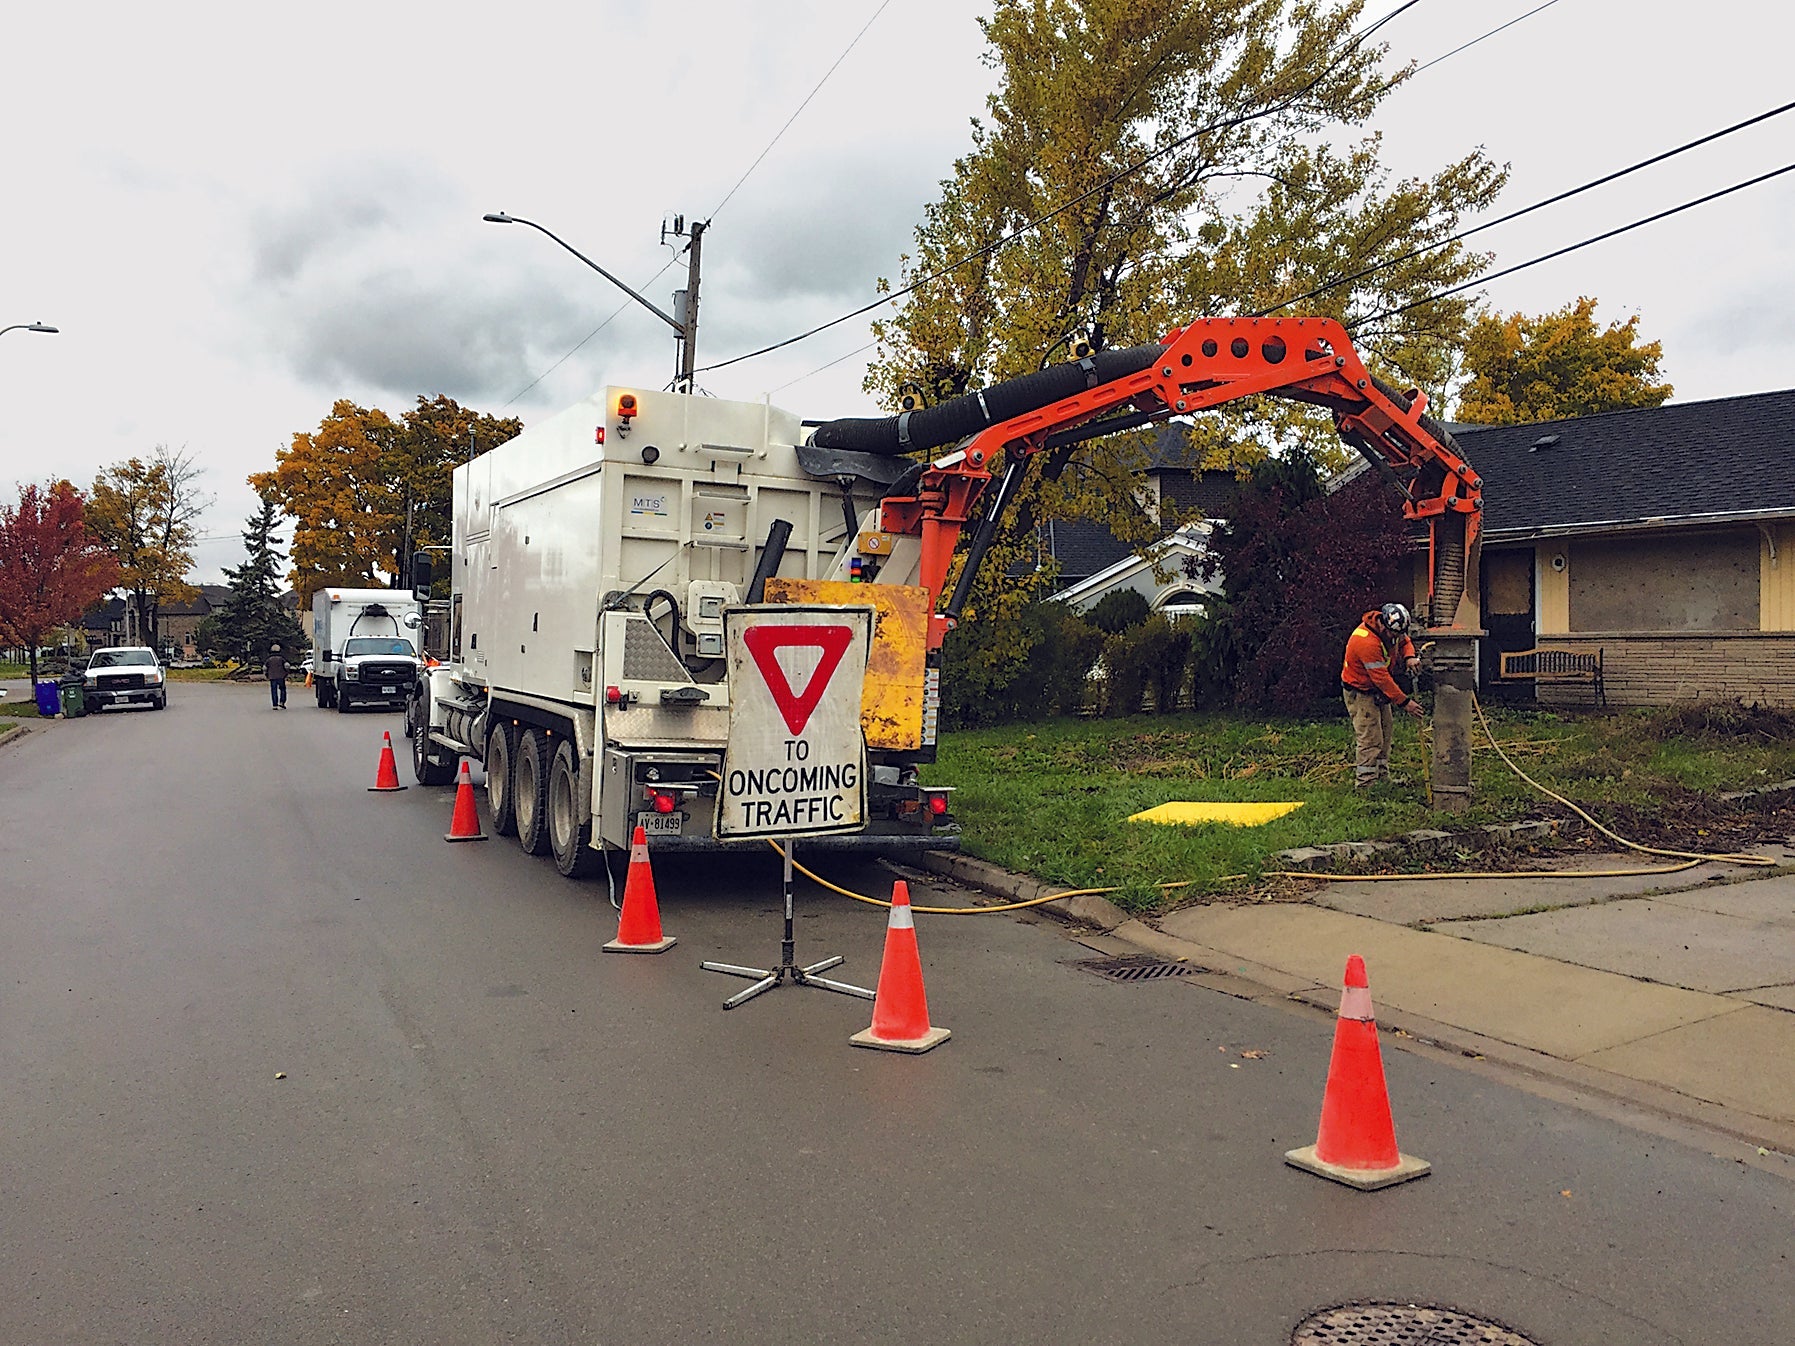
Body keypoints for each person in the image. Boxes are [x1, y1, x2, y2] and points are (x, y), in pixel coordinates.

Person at [1341, 603, 1423, 788]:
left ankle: (1381, 777)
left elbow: (1404, 641)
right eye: (1393, 634)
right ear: (1383, 626)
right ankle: (1365, 783)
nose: (1396, 638)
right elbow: (1382, 679)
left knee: (1385, 731)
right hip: (1361, 692)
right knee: (1370, 736)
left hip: (1378, 691)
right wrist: (1405, 703)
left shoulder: (1393, 629)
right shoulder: (1365, 642)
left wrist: (1409, 657)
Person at [265, 643, 288, 710]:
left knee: (274, 690)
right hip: (281, 676)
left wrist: (266, 674)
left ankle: (275, 704)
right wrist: (286, 673)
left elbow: (265, 668)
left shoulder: (269, 659)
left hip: (272, 677)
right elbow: (287, 666)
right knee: (283, 689)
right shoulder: (282, 658)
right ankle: (282, 702)